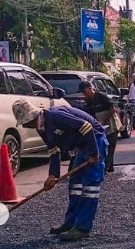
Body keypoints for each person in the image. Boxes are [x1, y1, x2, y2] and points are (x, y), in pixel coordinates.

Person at [12, 99, 108, 241]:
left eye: (28, 122)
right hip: (81, 146)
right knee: (75, 184)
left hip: (95, 139)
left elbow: (86, 127)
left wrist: (94, 154)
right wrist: (53, 175)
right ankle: (71, 223)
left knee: (90, 185)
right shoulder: (41, 127)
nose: (27, 125)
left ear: (34, 116)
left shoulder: (56, 116)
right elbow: (54, 151)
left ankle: (82, 227)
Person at [79, 81, 119, 173]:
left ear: (90, 89)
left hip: (111, 124)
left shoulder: (101, 97)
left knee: (111, 147)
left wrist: (103, 119)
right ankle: (109, 167)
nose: (84, 94)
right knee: (103, 146)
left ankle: (105, 169)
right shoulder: (89, 101)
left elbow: (113, 110)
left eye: (84, 92)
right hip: (100, 126)